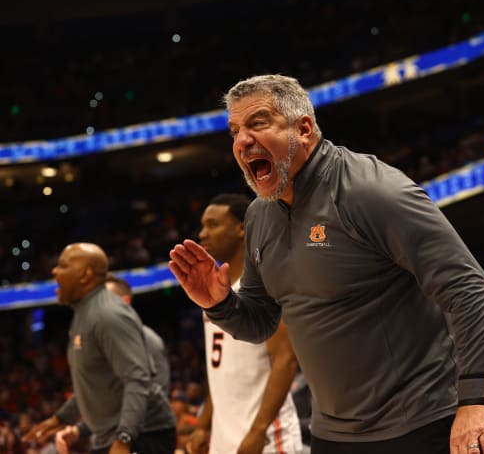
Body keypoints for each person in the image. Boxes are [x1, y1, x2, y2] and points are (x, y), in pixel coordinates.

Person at [168, 74, 484, 454]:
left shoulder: (371, 192)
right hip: (332, 434)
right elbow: (261, 322)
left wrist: (475, 400)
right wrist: (219, 304)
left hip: (418, 424)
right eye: (235, 130)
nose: (242, 141)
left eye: (258, 123)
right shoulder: (260, 216)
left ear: (304, 129)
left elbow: (469, 288)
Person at [22, 243, 176, 454]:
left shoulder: (108, 315)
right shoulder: (85, 313)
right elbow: (95, 384)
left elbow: (137, 379)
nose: (54, 271)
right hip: (114, 435)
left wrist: (125, 438)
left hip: (143, 435)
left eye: (63, 266)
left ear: (85, 275)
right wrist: (60, 418)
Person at [186, 193, 302, 454]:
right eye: (203, 225)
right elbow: (221, 369)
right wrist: (204, 424)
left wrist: (258, 430)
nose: (203, 234)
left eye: (213, 224)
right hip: (224, 436)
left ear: (242, 229)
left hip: (265, 436)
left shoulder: (265, 285)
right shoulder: (212, 293)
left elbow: (285, 360)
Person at [105, 274, 171, 395]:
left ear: (125, 301)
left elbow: (159, 391)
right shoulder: (103, 339)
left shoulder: (148, 339)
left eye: (105, 299)